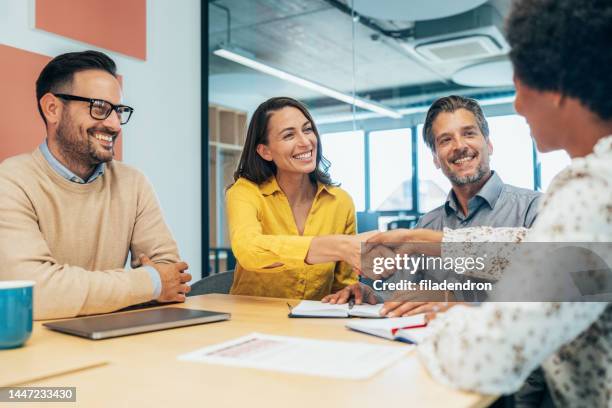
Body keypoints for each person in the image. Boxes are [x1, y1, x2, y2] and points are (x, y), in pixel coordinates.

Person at [369, 0, 612, 405]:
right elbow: (549, 259)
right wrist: (423, 242)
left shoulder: (591, 190)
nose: (517, 105)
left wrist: (446, 317)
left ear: (555, 85)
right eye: (445, 139)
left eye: (519, 86)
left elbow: (488, 356)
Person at [0, 51, 191, 320]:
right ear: (52, 108)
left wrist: (73, 291)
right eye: (99, 108)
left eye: (118, 111)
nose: (114, 124)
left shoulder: (132, 183)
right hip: (41, 352)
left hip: (116, 344)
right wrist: (147, 283)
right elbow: (35, 293)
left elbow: (173, 276)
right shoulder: (11, 181)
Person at [323, 95, 541, 317]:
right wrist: (372, 296)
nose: (459, 146)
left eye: (469, 133)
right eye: (445, 140)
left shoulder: (534, 209)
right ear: (436, 159)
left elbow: (549, 293)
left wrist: (452, 300)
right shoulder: (427, 223)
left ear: (489, 144)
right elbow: (402, 294)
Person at [226, 97, 371, 299]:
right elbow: (248, 250)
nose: (305, 142)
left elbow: (342, 285)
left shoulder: (340, 201)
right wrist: (336, 246)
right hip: (252, 322)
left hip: (312, 325)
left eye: (308, 129)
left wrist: (351, 292)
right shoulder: (245, 192)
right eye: (289, 135)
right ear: (265, 151)